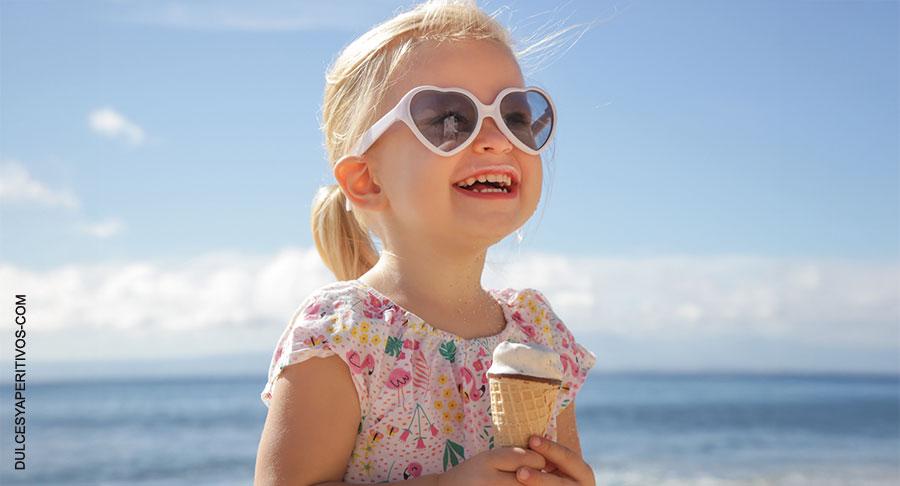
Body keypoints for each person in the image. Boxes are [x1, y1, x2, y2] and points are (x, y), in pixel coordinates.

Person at [255, 1, 598, 484]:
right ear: (367, 180)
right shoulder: (343, 334)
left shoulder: (537, 332)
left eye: (517, 116)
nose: (498, 139)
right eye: (448, 118)